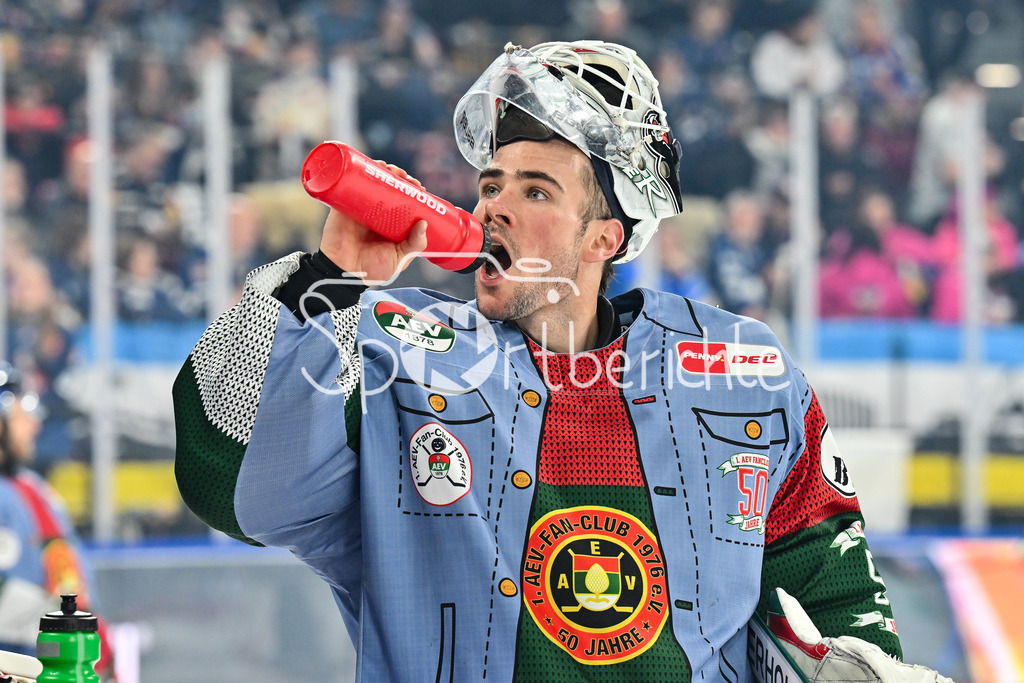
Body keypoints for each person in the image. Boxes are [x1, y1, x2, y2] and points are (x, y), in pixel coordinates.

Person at [174, 39, 951, 681]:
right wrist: (326, 280)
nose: (492, 208)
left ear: (603, 238)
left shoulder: (743, 369)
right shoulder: (385, 349)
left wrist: (864, 665)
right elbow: (233, 487)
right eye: (491, 183)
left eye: (537, 191)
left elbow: (829, 588)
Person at [0, 363, 115, 678]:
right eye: (23, 410)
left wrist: (89, 633)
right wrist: (68, 630)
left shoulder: (33, 487)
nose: (33, 425)